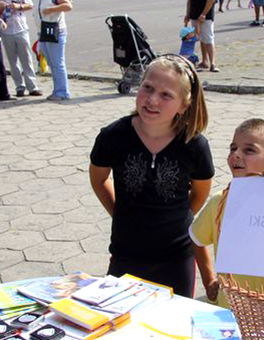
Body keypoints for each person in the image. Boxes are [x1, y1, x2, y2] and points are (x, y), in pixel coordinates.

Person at [89, 56, 213, 297]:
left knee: (173, 328)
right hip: (126, 253)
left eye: (166, 95)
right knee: (120, 324)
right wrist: (118, 211)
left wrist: (176, 218)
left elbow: (200, 193)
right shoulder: (114, 136)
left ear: (184, 105)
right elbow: (98, 178)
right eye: (148, 87)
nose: (152, 99)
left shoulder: (195, 145)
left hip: (176, 256)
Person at [190, 118, 264, 307]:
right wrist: (209, 279)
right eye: (233, 148)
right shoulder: (220, 202)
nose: (236, 155)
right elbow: (196, 238)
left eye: (249, 150)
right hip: (228, 311)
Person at [0, 0, 42, 98]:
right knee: (13, 61)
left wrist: (18, 6)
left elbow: (30, 5)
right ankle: (19, 86)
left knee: (26, 58)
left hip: (20, 28)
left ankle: (32, 86)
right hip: (6, 31)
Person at [36, 0, 73, 100]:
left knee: (57, 63)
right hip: (44, 33)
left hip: (55, 32)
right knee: (51, 63)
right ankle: (57, 89)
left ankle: (63, 92)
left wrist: (52, 9)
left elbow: (68, 6)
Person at [184, 0, 217, 72]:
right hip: (194, 13)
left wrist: (203, 14)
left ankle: (213, 63)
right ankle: (204, 61)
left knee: (208, 38)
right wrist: (187, 14)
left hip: (206, 15)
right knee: (200, 38)